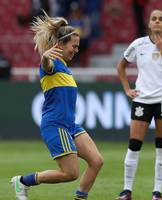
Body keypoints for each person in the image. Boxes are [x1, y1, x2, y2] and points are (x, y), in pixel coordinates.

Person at [10, 12, 103, 200]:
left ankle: (80, 198)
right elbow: (46, 64)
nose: (76, 50)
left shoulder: (66, 68)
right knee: (70, 173)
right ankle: (23, 181)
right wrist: (44, 56)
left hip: (70, 125)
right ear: (60, 45)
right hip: (56, 124)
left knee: (97, 161)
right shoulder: (51, 65)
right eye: (73, 46)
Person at [116, 9, 162, 200]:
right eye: (154, 19)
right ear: (149, 24)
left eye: (161, 19)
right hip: (142, 99)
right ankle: (126, 191)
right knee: (134, 145)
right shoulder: (139, 44)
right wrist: (128, 89)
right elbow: (121, 65)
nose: (157, 22)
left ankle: (157, 192)